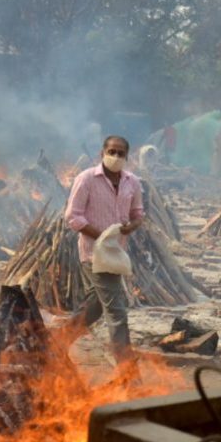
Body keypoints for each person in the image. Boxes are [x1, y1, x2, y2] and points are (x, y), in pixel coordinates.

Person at [60, 136, 145, 362]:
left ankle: (56, 343)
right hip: (93, 255)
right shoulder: (86, 179)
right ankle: (127, 370)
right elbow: (72, 217)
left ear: (127, 157)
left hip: (116, 256)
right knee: (116, 311)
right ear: (102, 153)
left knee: (95, 307)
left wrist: (132, 226)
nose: (115, 157)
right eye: (111, 151)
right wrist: (102, 237)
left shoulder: (132, 182)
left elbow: (138, 214)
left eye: (120, 153)